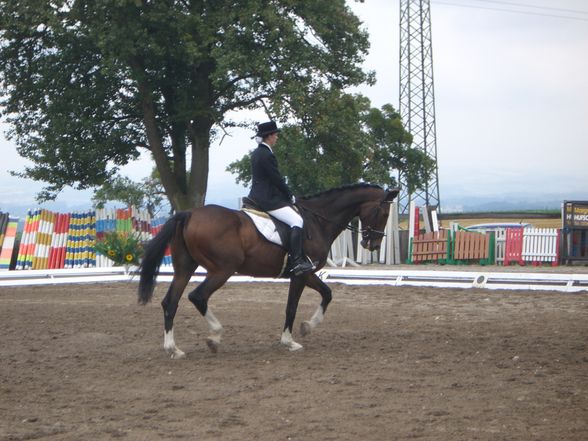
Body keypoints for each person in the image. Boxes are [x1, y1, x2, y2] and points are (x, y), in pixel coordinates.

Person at [248, 121, 314, 276]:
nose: (277, 137)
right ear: (269, 136)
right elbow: (276, 179)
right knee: (297, 221)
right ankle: (297, 261)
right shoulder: (267, 154)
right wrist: (289, 196)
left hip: (257, 195)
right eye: (275, 135)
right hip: (267, 199)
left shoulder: (257, 153)